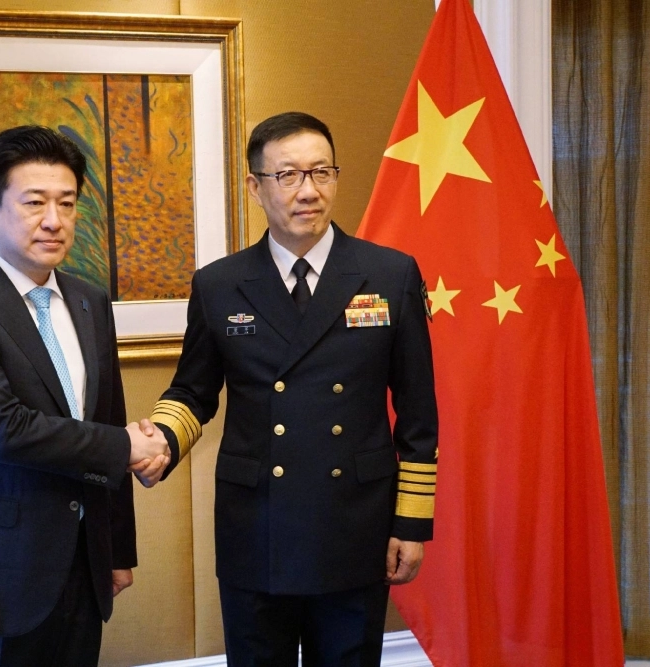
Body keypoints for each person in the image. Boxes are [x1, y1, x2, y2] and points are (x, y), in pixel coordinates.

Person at [144, 112, 439, 666]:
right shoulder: (219, 283)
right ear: (256, 187)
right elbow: (192, 392)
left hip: (354, 523)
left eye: (321, 172)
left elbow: (419, 414)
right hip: (257, 526)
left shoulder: (389, 274)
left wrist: (411, 522)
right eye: (288, 176)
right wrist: (161, 436)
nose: (309, 191)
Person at [0, 125, 169, 667]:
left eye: (67, 203)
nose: (53, 220)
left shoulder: (88, 301)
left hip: (83, 566)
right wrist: (127, 447)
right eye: (34, 203)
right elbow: (0, 430)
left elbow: (106, 420)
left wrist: (117, 550)